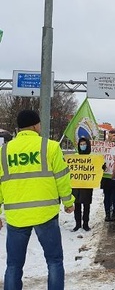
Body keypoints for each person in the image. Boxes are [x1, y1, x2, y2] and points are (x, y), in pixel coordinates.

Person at [0, 110, 75, 289]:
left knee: (13, 265)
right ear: (35, 125)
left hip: (16, 216)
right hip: (45, 214)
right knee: (54, 261)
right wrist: (68, 202)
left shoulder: (4, 151)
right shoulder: (50, 147)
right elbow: (62, 177)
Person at [72, 137, 94, 231]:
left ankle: (85, 224)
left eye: (84, 144)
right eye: (81, 144)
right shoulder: (75, 156)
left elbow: (96, 168)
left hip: (87, 185)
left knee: (86, 205)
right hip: (76, 185)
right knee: (76, 205)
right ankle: (77, 224)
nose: (82, 146)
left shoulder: (92, 157)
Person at [101, 134, 115, 222]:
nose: (113, 141)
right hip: (105, 176)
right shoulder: (103, 149)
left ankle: (114, 213)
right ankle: (107, 213)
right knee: (107, 196)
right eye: (111, 139)